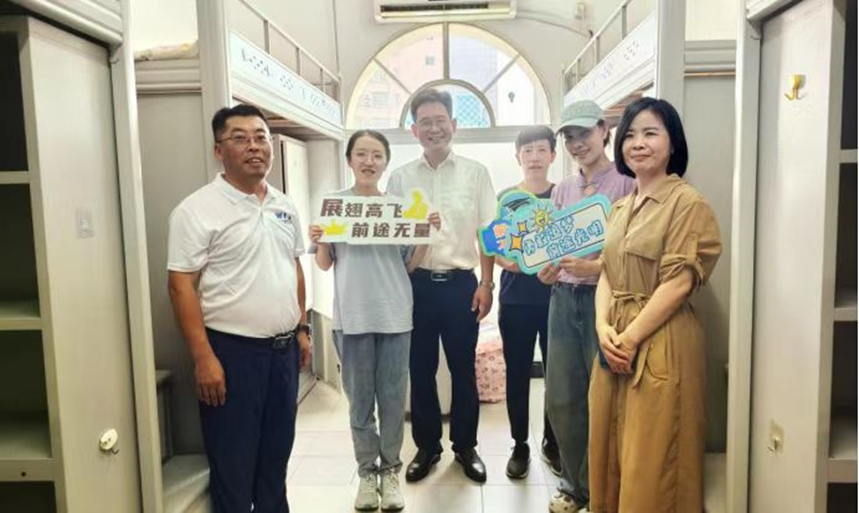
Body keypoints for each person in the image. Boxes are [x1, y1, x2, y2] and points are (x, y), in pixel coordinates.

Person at [167, 104, 312, 513]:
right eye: (240, 138)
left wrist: (302, 329)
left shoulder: (284, 204)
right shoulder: (196, 209)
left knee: (275, 459)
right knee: (233, 465)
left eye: (261, 137)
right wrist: (203, 358)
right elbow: (180, 286)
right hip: (231, 354)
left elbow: (293, 268)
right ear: (219, 151)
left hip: (282, 353)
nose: (254, 146)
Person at [588, 97, 722, 513]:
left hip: (660, 340)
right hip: (614, 340)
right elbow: (608, 272)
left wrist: (629, 338)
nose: (638, 143)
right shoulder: (620, 207)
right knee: (609, 447)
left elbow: (679, 283)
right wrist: (602, 327)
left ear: (672, 142)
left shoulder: (687, 203)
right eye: (629, 135)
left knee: (653, 461)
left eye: (651, 133)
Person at [308, 130, 439, 511]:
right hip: (351, 318)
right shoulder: (335, 205)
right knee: (360, 403)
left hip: (395, 315)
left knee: (394, 400)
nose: (369, 161)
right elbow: (325, 263)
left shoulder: (400, 208)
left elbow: (407, 265)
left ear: (385, 162)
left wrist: (425, 233)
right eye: (362, 154)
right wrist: (320, 238)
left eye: (377, 155)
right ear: (349, 159)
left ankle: (391, 471)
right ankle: (368, 473)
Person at [386, 88, 496, 484]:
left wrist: (487, 283)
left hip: (461, 285)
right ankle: (427, 446)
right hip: (414, 286)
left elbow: (487, 233)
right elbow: (391, 235)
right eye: (425, 123)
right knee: (420, 368)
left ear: (454, 124)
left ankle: (465, 446)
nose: (434, 129)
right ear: (414, 130)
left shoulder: (476, 173)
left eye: (440, 121)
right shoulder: (400, 178)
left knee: (463, 368)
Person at [537, 100, 635, 513]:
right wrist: (546, 270)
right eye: (570, 137)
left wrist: (596, 267)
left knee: (605, 397)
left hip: (605, 302)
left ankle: (604, 489)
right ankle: (575, 487)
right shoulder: (562, 189)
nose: (578, 143)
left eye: (584, 133)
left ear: (604, 130)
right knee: (562, 397)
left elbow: (634, 254)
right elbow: (551, 248)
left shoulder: (628, 183)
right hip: (562, 299)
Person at [493, 126, 561, 479]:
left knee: (557, 375)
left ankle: (553, 442)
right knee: (517, 374)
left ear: (553, 155)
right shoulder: (506, 197)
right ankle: (520, 445)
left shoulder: (563, 195)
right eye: (528, 151)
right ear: (518, 157)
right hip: (515, 301)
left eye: (541, 150)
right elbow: (493, 246)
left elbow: (572, 241)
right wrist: (513, 264)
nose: (534, 157)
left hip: (557, 299)